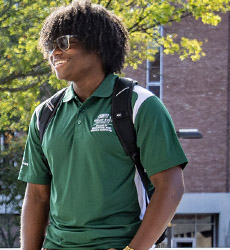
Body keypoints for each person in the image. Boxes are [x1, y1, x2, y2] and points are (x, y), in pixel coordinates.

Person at [18, 1, 188, 250]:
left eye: (63, 43)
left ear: (96, 43)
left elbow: (171, 187)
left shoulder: (140, 105)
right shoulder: (45, 114)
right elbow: (36, 196)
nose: (54, 53)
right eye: (50, 47)